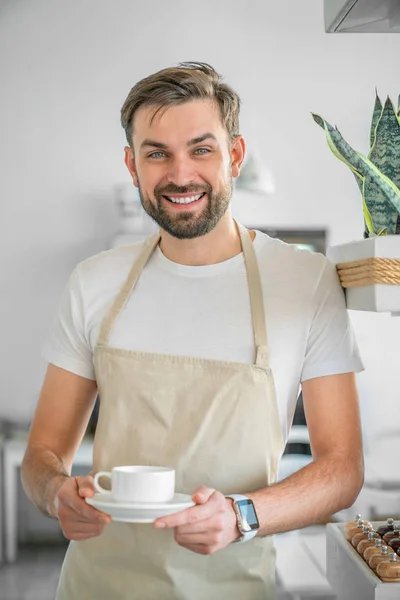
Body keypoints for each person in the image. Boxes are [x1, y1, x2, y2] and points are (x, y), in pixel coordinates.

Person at [21, 61, 365, 599]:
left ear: (234, 156)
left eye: (200, 149)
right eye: (157, 153)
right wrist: (55, 493)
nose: (180, 174)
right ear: (133, 166)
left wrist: (241, 514)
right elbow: (42, 454)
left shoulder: (305, 281)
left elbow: (342, 468)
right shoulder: (94, 282)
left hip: (232, 588)